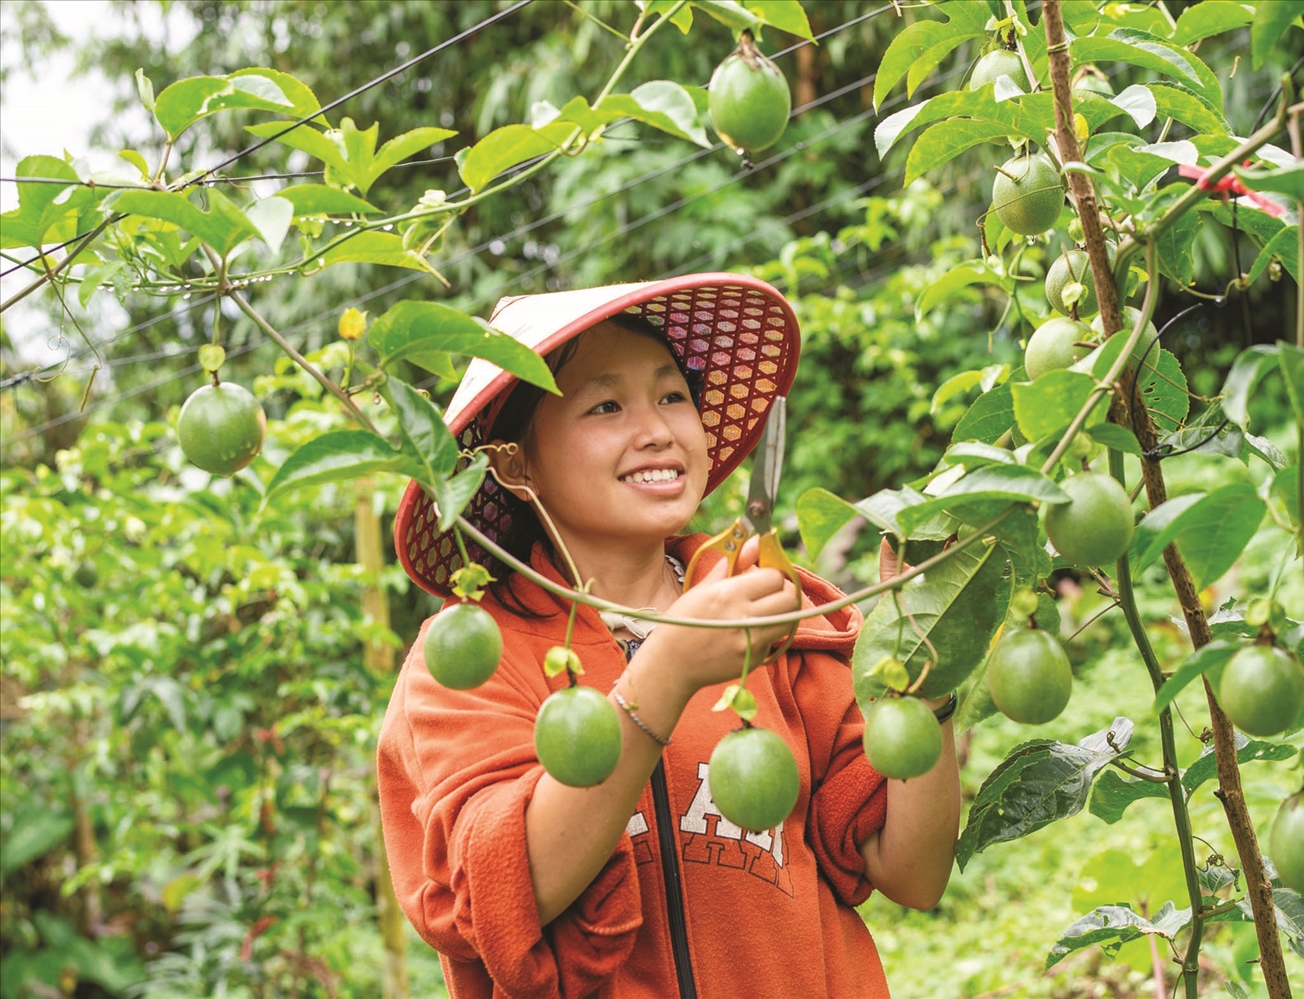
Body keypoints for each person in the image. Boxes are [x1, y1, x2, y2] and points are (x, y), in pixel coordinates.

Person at [380, 274, 961, 998]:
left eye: (672, 395)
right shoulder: (472, 660)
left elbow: (912, 871)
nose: (657, 429)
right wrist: (669, 669)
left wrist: (926, 658)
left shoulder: (777, 613)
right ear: (513, 462)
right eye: (606, 405)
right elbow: (510, 890)